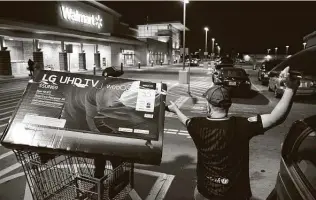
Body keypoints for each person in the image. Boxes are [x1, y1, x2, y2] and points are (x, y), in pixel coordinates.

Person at [166, 66, 299, 200]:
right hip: (235, 195)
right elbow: (275, 117)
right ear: (228, 105)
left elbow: (186, 121)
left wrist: (176, 110)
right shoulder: (242, 125)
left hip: (205, 193)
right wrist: (290, 89)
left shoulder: (197, 125)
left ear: (208, 105)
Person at [60, 79, 162, 178]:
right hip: (96, 106)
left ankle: (112, 173)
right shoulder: (107, 101)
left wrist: (147, 138)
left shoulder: (137, 93)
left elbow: (145, 120)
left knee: (110, 148)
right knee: (103, 146)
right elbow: (94, 122)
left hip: (111, 103)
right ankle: (102, 174)